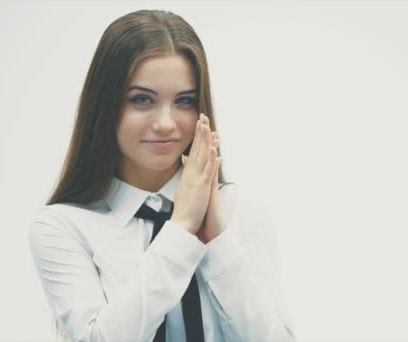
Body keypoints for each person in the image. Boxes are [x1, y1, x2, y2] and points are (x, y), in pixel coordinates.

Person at [27, 9, 295, 342]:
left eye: (184, 101)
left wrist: (217, 240)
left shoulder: (242, 212)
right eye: (142, 100)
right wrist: (181, 229)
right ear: (105, 105)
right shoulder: (63, 226)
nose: (166, 122)